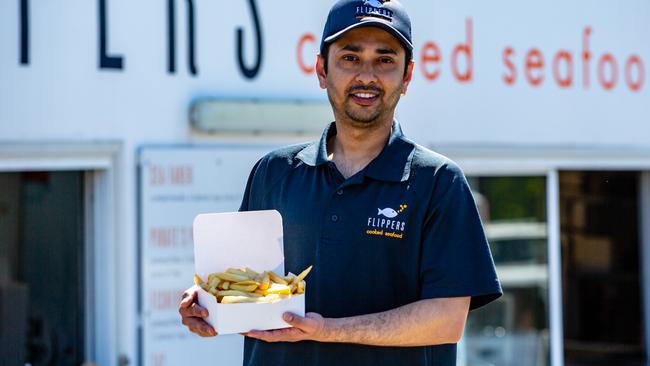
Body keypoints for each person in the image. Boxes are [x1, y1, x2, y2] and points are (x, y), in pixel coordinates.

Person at [179, 0, 502, 365]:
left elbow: (446, 321)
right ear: (321, 70)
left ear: (407, 76)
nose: (367, 76)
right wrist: (208, 306)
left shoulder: (439, 182)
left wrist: (327, 329)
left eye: (385, 59)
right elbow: (246, 292)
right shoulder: (274, 172)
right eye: (350, 58)